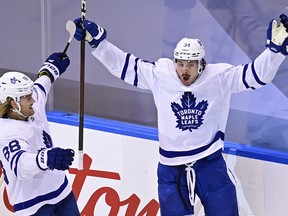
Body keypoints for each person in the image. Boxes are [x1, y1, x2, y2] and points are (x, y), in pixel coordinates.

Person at [73, 13, 288, 216]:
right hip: (171, 170)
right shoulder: (161, 74)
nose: (184, 70)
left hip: (209, 164)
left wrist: (274, 51)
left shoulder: (219, 77)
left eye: (191, 65)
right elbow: (124, 66)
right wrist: (98, 43)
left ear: (201, 65)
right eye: (181, 63)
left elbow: (256, 76)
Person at [0, 53, 80, 215]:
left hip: (62, 192)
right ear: (13, 103)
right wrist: (46, 159)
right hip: (33, 205)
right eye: (27, 97)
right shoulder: (5, 132)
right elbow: (20, 165)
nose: (33, 100)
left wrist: (50, 70)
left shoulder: (28, 106)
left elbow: (41, 86)